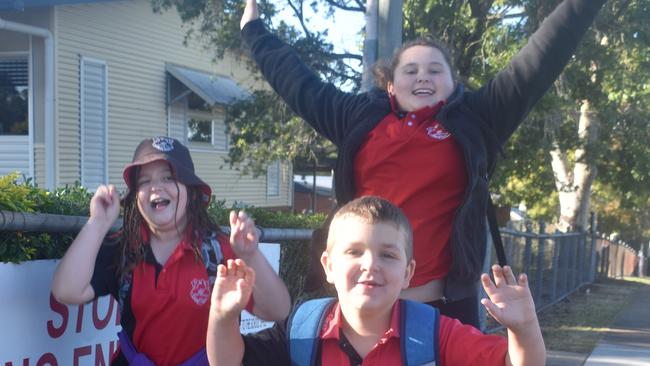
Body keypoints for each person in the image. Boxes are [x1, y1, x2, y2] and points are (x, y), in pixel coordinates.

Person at [239, 0, 606, 326]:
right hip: (359, 306)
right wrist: (253, 29)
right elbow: (299, 84)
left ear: (453, 83)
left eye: (434, 70)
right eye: (410, 71)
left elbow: (541, 57)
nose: (422, 77)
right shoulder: (358, 117)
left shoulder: (478, 119)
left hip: (442, 308)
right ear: (391, 86)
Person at [207, 196, 546, 366]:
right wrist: (222, 317)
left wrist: (525, 327)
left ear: (408, 274)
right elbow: (228, 361)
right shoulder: (301, 329)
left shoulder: (433, 334)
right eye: (354, 252)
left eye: (388, 255)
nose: (371, 264)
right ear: (328, 265)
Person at [51, 136, 291, 366]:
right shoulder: (124, 248)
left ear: (191, 190)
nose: (156, 187)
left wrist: (250, 255)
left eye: (168, 177)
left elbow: (277, 310)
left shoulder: (220, 250)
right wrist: (98, 223)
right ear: (135, 196)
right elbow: (67, 291)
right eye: (144, 181)